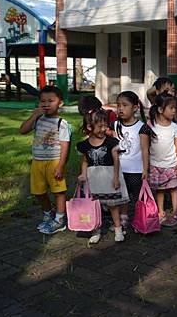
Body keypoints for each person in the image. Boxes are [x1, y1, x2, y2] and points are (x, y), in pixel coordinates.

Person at [19, 85, 71, 235]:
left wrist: (61, 165)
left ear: (60, 103)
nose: (46, 104)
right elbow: (22, 130)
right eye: (43, 101)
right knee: (38, 192)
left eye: (51, 101)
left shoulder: (62, 123)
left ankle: (60, 220)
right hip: (37, 162)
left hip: (54, 161)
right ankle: (48, 214)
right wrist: (34, 116)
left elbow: (64, 145)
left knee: (58, 191)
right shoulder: (38, 119)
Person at [77, 109, 130, 243]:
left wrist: (116, 178)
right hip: (93, 178)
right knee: (95, 206)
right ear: (90, 127)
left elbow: (116, 160)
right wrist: (83, 174)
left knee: (113, 205)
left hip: (109, 177)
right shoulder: (84, 145)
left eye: (105, 125)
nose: (104, 129)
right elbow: (84, 161)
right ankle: (96, 230)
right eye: (100, 126)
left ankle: (118, 229)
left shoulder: (111, 142)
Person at [143, 93, 177, 226]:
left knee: (173, 189)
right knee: (159, 190)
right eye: (171, 108)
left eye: (175, 108)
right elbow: (146, 145)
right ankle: (160, 212)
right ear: (161, 109)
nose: (174, 111)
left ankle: (175, 213)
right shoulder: (151, 125)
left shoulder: (174, 127)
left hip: (172, 164)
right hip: (155, 165)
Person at [113, 91, 149, 228]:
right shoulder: (115, 125)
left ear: (135, 108)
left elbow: (145, 150)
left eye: (125, 105)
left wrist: (145, 169)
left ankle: (141, 219)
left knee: (137, 197)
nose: (120, 108)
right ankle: (123, 218)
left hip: (136, 170)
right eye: (118, 105)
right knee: (122, 196)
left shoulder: (141, 127)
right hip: (120, 169)